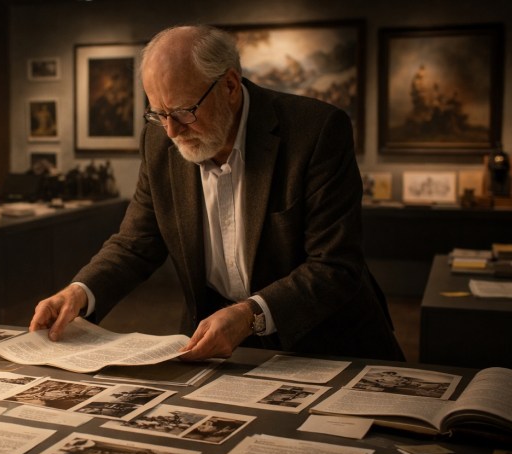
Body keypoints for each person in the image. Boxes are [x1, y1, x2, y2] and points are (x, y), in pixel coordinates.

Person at [29, 24, 404, 362]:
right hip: (217, 344)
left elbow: (334, 265)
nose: (172, 131)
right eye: (158, 113)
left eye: (183, 111)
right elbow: (136, 242)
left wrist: (251, 314)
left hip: (325, 342)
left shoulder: (316, 131)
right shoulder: (160, 141)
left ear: (229, 85)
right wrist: (81, 291)